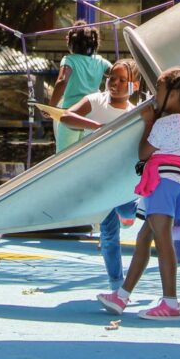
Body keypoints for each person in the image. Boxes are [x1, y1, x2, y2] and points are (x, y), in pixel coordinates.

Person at [97, 66, 180, 321]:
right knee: (145, 238)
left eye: (159, 89)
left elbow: (144, 152)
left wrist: (149, 123)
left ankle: (170, 302)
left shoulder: (164, 123)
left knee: (163, 242)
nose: (155, 95)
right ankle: (121, 295)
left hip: (161, 183)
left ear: (175, 93)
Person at [59, 58, 142, 293]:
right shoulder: (95, 100)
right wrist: (96, 127)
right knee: (108, 232)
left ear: (134, 84)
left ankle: (128, 215)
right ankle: (117, 285)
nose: (114, 83)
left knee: (126, 210)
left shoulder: (135, 113)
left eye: (122, 80)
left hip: (122, 180)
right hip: (97, 179)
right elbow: (66, 116)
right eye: (111, 78)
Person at [50, 27, 112, 153]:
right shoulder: (101, 62)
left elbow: (62, 81)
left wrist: (51, 106)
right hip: (91, 116)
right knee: (87, 155)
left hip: (71, 115)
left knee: (64, 157)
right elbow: (116, 73)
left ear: (71, 44)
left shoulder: (69, 60)